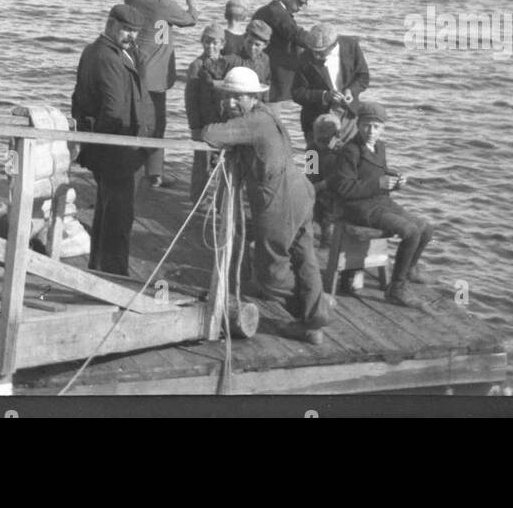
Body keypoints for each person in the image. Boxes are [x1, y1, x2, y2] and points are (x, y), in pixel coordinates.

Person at [202, 66, 333, 345]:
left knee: (269, 273)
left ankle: (311, 317)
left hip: (279, 200)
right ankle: (315, 317)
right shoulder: (266, 114)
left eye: (237, 98)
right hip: (301, 192)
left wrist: (226, 127)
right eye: (227, 97)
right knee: (304, 257)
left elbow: (210, 134)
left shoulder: (253, 122)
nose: (230, 103)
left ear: (252, 97)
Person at [71, 3, 152, 276]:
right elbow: (115, 110)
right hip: (118, 150)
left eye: (135, 31)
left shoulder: (102, 51)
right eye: (126, 29)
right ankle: (115, 277)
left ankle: (98, 268)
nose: (131, 36)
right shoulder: (108, 58)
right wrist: (112, 145)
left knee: (107, 212)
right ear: (110, 24)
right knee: (118, 218)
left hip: (112, 150)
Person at [327, 100, 434, 308]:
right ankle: (396, 288)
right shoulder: (350, 151)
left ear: (383, 129)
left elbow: (379, 172)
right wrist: (380, 183)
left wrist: (395, 180)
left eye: (376, 127)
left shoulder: (379, 147)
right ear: (358, 125)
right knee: (410, 231)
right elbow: (344, 189)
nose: (371, 131)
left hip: (380, 201)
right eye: (367, 125)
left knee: (426, 228)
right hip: (358, 208)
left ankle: (409, 270)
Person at [125, 0, 197, 188]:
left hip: (134, 67)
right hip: (156, 75)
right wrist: (191, 3)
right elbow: (190, 20)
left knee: (134, 119)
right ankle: (154, 173)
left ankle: (132, 166)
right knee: (157, 122)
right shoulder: (165, 4)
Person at [291, 22, 370, 143]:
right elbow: (297, 92)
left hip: (348, 114)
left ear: (333, 45)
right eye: (313, 50)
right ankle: (313, 162)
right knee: (313, 156)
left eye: (320, 52)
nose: (316, 56)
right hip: (316, 118)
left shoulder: (351, 46)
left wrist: (351, 91)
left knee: (348, 156)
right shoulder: (304, 58)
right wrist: (324, 96)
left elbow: (363, 76)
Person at [252, 0, 315, 104]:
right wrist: (321, 40)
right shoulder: (277, 13)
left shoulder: (272, 11)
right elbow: (296, 35)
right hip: (275, 79)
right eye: (300, 2)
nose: (301, 7)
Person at [183, 23, 226, 200]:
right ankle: (198, 199)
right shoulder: (196, 66)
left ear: (222, 44)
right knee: (202, 164)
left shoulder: (227, 64)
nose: (211, 46)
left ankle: (220, 199)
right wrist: (195, 126)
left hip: (222, 122)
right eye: (207, 42)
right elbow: (190, 100)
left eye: (215, 43)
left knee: (222, 163)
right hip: (203, 122)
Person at [214, 17, 272, 87]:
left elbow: (266, 84)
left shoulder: (264, 59)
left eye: (257, 45)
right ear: (244, 37)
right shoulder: (231, 60)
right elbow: (210, 79)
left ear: (265, 45)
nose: (252, 47)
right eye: (249, 42)